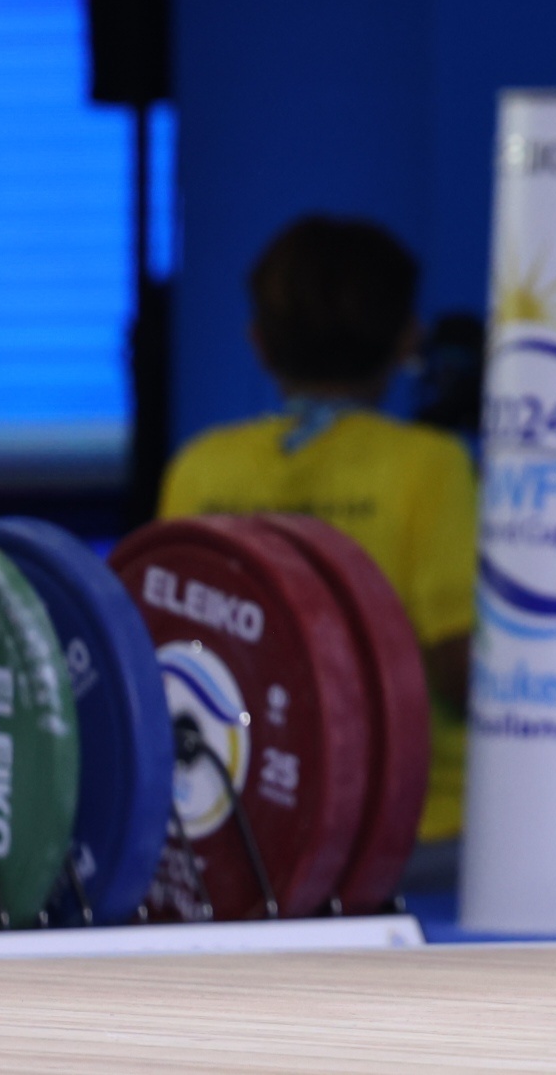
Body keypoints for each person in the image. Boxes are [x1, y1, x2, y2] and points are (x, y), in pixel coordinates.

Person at [157, 215, 477, 875]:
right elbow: (458, 661)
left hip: (241, 837)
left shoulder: (199, 467)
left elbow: (165, 653)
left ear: (259, 343)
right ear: (408, 337)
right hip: (417, 839)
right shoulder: (431, 465)